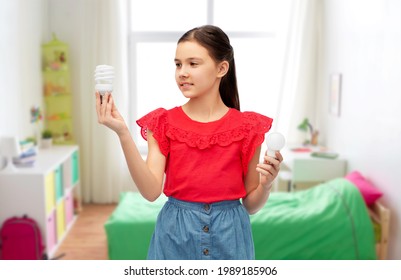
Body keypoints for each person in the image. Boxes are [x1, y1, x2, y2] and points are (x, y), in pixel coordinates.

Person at [95, 25, 283, 260]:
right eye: (178, 64)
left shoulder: (248, 127)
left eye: (193, 64)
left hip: (231, 238)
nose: (182, 72)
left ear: (221, 68)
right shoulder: (162, 122)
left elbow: (251, 205)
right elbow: (152, 191)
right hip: (174, 237)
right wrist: (122, 132)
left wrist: (266, 185)